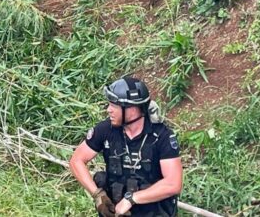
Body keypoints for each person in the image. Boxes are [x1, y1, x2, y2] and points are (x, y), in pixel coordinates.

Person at [69, 77, 183, 217]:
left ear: (132, 109)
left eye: (114, 106)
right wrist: (98, 194)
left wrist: (132, 199)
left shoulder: (161, 136)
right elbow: (76, 161)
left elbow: (173, 183)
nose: (108, 110)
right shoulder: (105, 130)